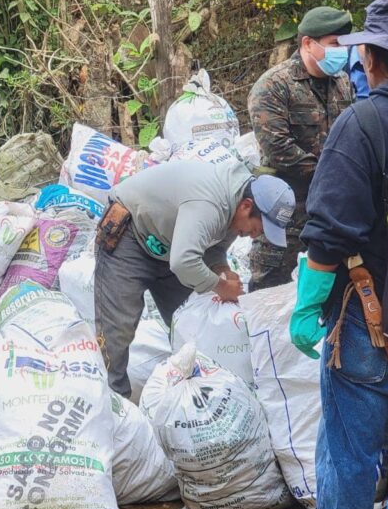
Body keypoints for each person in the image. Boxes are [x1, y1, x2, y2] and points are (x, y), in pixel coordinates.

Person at [286, 0, 388, 509]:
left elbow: (328, 233)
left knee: (348, 453)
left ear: (370, 56)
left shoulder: (362, 125)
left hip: (371, 318)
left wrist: (308, 306)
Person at [94, 160, 295, 398]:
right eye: (257, 228)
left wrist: (222, 269)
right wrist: (221, 287)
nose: (254, 235)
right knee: (118, 331)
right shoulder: (211, 204)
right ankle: (113, 408)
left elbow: (213, 249)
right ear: (246, 206)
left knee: (188, 325)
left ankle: (195, 401)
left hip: (170, 247)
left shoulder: (236, 207)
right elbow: (183, 262)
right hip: (130, 235)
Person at [247, 6, 353, 291]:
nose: (341, 52)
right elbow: (278, 148)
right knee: (271, 295)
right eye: (334, 45)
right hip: (286, 217)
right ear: (308, 43)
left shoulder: (342, 83)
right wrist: (336, 175)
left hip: (331, 214)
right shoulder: (273, 85)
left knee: (326, 297)